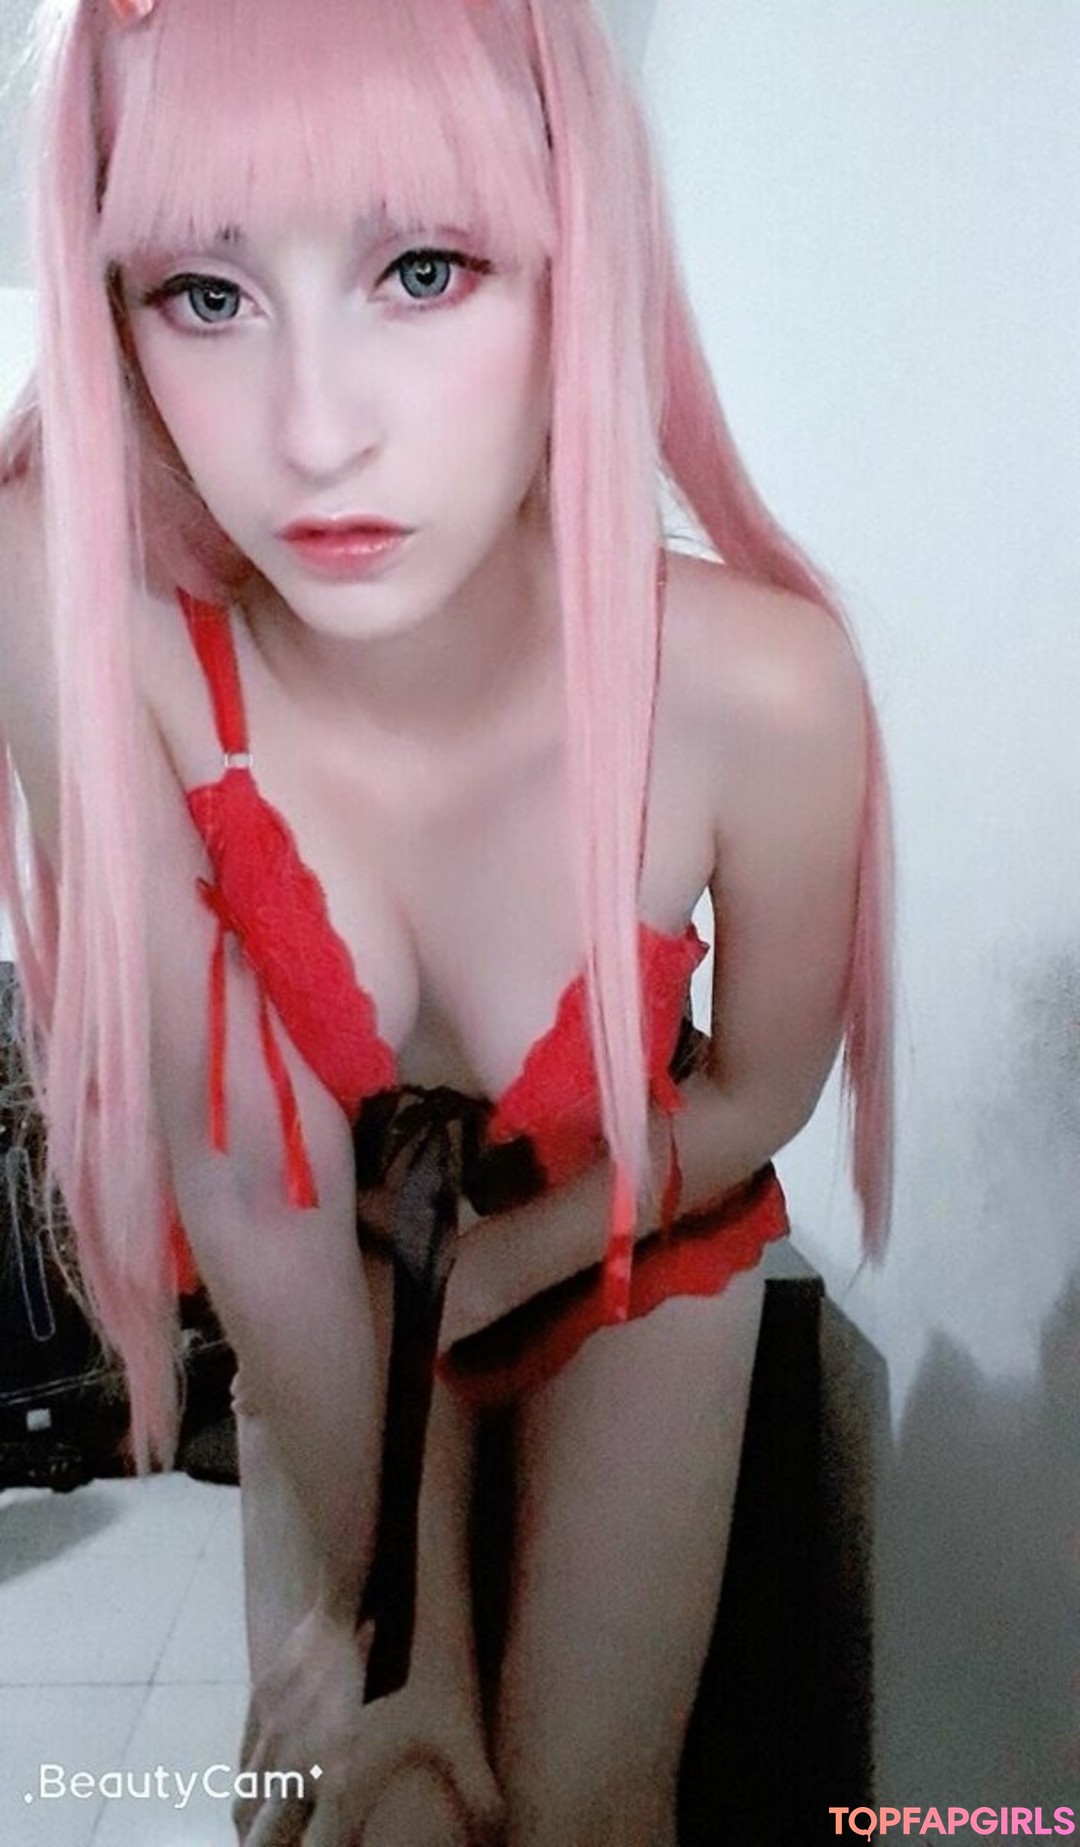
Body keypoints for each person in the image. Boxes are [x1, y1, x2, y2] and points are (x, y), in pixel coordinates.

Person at [0, 0, 893, 1840]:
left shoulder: (765, 691)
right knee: (377, 1805)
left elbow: (756, 1097)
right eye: (205, 295)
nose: (317, 432)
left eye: (424, 270)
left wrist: (497, 1267)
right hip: (321, 1275)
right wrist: (370, 1611)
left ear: (579, 261)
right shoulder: (86, 612)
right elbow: (244, 1171)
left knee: (584, 1806)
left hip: (635, 1241)